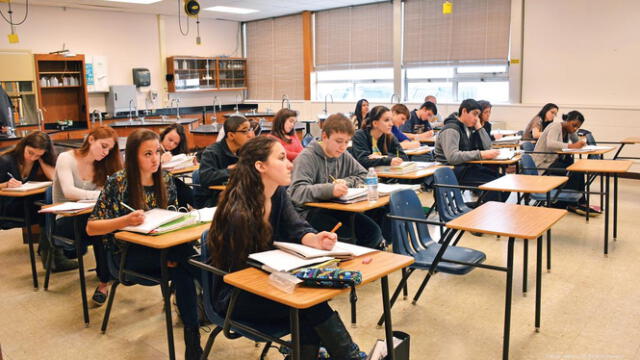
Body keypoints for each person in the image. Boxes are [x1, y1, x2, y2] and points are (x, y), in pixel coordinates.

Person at [207, 135, 366, 360]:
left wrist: (315, 239)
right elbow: (240, 272)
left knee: (310, 303)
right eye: (281, 158)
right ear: (260, 166)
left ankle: (319, 355)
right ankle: (348, 356)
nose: (290, 163)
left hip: (269, 280)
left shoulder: (277, 193)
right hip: (237, 294)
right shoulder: (238, 211)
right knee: (308, 306)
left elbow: (297, 227)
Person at [86, 129, 202, 359]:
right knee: (189, 262)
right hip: (126, 256)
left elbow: (170, 221)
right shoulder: (118, 182)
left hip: (163, 250)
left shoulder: (166, 180)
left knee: (182, 266)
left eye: (157, 152)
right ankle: (200, 327)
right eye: (147, 154)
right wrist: (125, 221)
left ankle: (193, 343)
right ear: (133, 157)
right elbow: (91, 227)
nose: (155, 159)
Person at [288, 113, 383, 249]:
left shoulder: (343, 155)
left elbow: (365, 175)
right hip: (308, 212)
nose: (343, 147)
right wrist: (330, 189)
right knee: (346, 237)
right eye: (339, 141)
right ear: (324, 137)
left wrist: (345, 182)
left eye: (346, 142)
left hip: (337, 208)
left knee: (373, 233)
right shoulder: (307, 158)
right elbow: (296, 192)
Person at [52, 126, 122, 303]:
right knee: (100, 226)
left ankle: (108, 277)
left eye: (109, 149)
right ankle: (105, 280)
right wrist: (100, 195)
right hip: (65, 220)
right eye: (103, 146)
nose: (106, 152)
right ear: (91, 139)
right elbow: (69, 192)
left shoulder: (102, 165)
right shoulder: (66, 158)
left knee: (103, 224)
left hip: (90, 217)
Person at [0, 132, 65, 267]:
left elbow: (54, 179)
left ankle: (52, 254)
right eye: (30, 153)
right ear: (23, 146)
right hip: (6, 207)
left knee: (49, 204)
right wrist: (5, 185)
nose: (32, 158)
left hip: (22, 204)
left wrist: (42, 160)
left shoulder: (36, 161)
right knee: (47, 208)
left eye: (38, 155)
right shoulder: (6, 160)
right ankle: (52, 256)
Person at [433, 99, 507, 202]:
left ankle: (483, 209)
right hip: (452, 171)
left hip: (465, 167)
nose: (476, 119)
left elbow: (487, 146)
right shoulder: (451, 129)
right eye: (475, 114)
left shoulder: (467, 127)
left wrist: (479, 127)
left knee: (504, 181)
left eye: (478, 115)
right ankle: (482, 210)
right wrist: (480, 154)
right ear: (464, 111)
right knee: (498, 184)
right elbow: (452, 157)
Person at [531, 111, 594, 214]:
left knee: (578, 168)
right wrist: (572, 146)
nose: (574, 129)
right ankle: (568, 203)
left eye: (577, 127)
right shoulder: (555, 126)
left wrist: (582, 144)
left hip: (554, 163)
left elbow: (576, 142)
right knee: (574, 170)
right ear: (567, 120)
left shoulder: (569, 130)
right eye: (573, 125)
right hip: (543, 165)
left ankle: (579, 202)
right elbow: (551, 144)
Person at [195, 115, 255, 208]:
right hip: (214, 201)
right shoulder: (212, 152)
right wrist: (231, 171)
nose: (249, 135)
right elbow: (206, 178)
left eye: (249, 129)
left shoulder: (246, 150)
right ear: (231, 135)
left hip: (240, 195)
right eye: (244, 131)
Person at [159, 124, 195, 208]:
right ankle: (200, 205)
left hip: (168, 181)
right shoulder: (155, 147)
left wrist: (188, 162)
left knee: (178, 188)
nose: (171, 145)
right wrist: (160, 160)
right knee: (179, 187)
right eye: (170, 140)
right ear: (164, 134)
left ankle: (185, 210)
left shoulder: (169, 151)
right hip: (156, 182)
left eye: (175, 144)